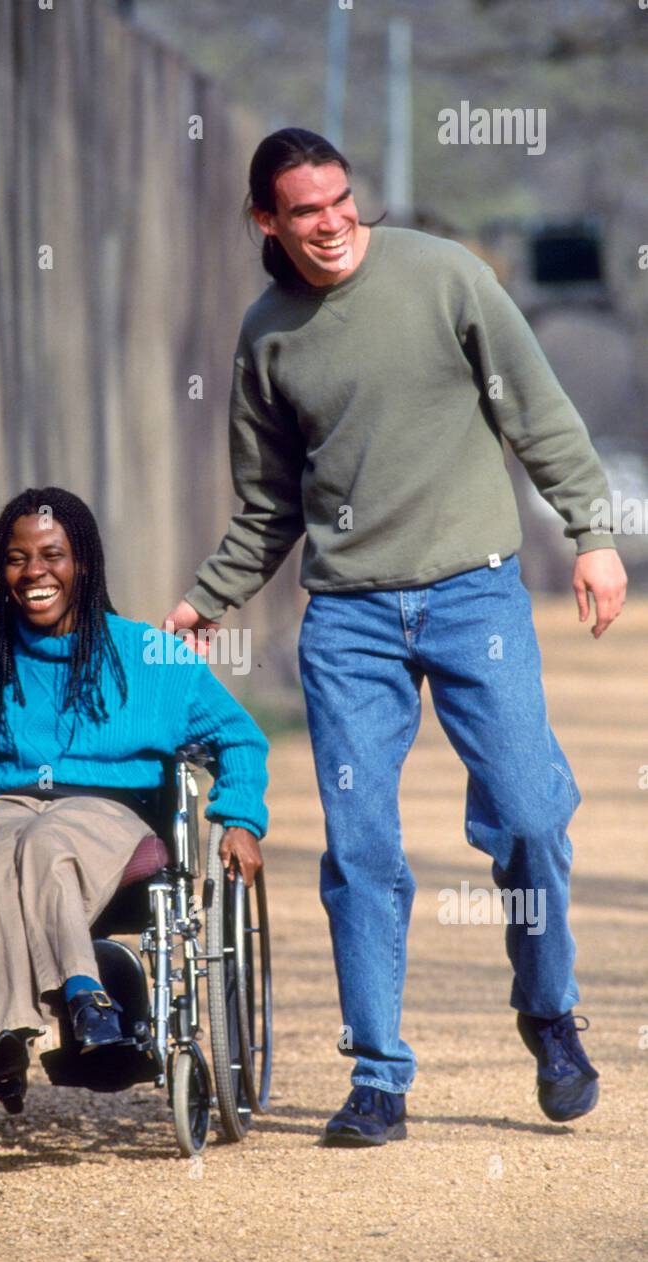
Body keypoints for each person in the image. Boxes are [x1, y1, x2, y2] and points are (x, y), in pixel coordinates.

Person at [164, 128, 627, 1148]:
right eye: (304, 211)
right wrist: (208, 598)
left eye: (340, 201)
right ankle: (377, 1072)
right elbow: (268, 502)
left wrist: (592, 535)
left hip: (477, 596)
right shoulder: (268, 336)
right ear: (266, 223)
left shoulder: (444, 275)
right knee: (359, 842)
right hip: (349, 619)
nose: (330, 224)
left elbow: (539, 414)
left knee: (527, 815)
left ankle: (548, 1013)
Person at [0, 487, 268, 1112]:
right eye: (17, 558)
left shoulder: (147, 655)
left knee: (40, 841)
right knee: (5, 847)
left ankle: (37, 1011)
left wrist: (238, 816)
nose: (34, 572)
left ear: (85, 564)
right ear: (0, 569)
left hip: (107, 816)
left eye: (52, 555)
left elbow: (239, 738)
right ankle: (64, 1010)